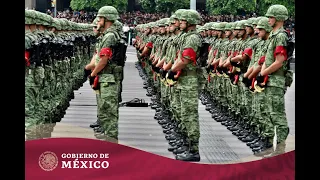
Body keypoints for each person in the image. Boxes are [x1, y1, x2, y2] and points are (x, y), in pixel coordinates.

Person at [167, 9, 202, 162]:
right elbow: (178, 57)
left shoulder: (192, 38)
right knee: (182, 114)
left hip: (189, 81)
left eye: (182, 21)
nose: (179, 23)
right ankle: (185, 144)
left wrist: (171, 70)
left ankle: (193, 150)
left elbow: (186, 59)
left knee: (189, 115)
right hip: (183, 80)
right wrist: (172, 70)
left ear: (189, 22)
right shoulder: (186, 37)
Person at [259, 4, 290, 148]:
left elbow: (279, 61)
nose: (269, 19)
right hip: (269, 79)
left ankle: (281, 148)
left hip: (276, 80)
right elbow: (267, 58)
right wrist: (262, 73)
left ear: (278, 18)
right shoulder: (273, 36)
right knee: (270, 113)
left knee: (277, 116)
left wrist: (263, 73)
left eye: (271, 17)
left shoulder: (281, 36)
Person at [89, 6, 121, 142]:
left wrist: (92, 74)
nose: (98, 21)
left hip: (108, 77)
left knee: (109, 111)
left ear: (106, 18)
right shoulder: (108, 35)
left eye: (100, 18)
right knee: (105, 110)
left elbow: (103, 60)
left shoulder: (109, 36)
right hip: (106, 77)